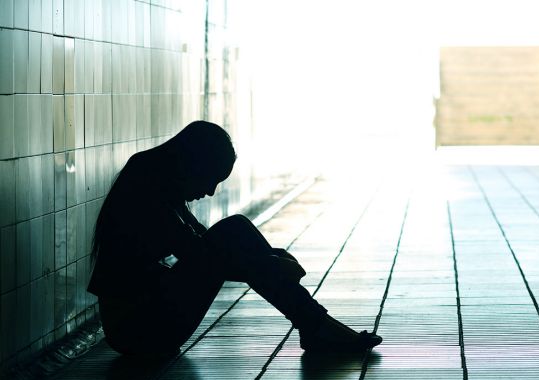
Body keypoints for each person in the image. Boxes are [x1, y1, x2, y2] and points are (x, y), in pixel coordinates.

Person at [87, 120, 382, 356]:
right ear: (193, 164)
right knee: (233, 231)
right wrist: (274, 266)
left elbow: (204, 244)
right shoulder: (147, 186)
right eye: (211, 179)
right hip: (138, 332)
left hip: (144, 321)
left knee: (235, 228)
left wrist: (272, 260)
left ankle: (315, 325)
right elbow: (203, 256)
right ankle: (316, 325)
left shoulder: (157, 176)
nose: (211, 192)